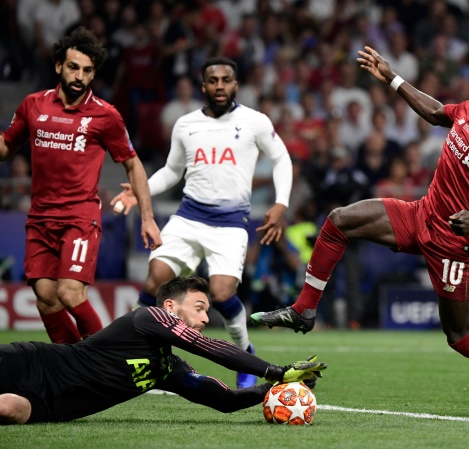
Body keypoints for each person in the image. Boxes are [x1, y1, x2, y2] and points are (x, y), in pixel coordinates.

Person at [253, 46, 469, 419]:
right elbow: (436, 112)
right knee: (340, 219)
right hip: (420, 215)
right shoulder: (468, 112)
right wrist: (391, 78)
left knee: (459, 336)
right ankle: (304, 310)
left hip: (455, 243)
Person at [112, 56, 292, 389]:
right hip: (189, 217)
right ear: (203, 85)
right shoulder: (186, 124)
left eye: (226, 79)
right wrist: (140, 191)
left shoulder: (255, 122)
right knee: (155, 283)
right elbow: (171, 171)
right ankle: (143, 352)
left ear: (236, 85)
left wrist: (281, 203)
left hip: (229, 223)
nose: (220, 85)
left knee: (223, 294)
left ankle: (244, 353)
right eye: (213, 80)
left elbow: (281, 158)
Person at [0, 27, 161, 345]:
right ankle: (73, 367)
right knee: (46, 297)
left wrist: (147, 217)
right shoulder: (33, 105)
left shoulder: (105, 115)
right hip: (40, 217)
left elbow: (132, 163)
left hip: (79, 216)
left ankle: (111, 361)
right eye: (73, 67)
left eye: (87, 71)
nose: (80, 76)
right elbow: (6, 146)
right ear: (59, 65)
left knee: (70, 292)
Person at [0, 276, 326, 424]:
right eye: (198, 307)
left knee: (9, 410)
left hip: (48, 408)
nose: (204, 317)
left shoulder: (167, 368)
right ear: (170, 306)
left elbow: (224, 400)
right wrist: (276, 370)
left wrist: (274, 388)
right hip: (31, 364)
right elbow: (208, 347)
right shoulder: (148, 316)